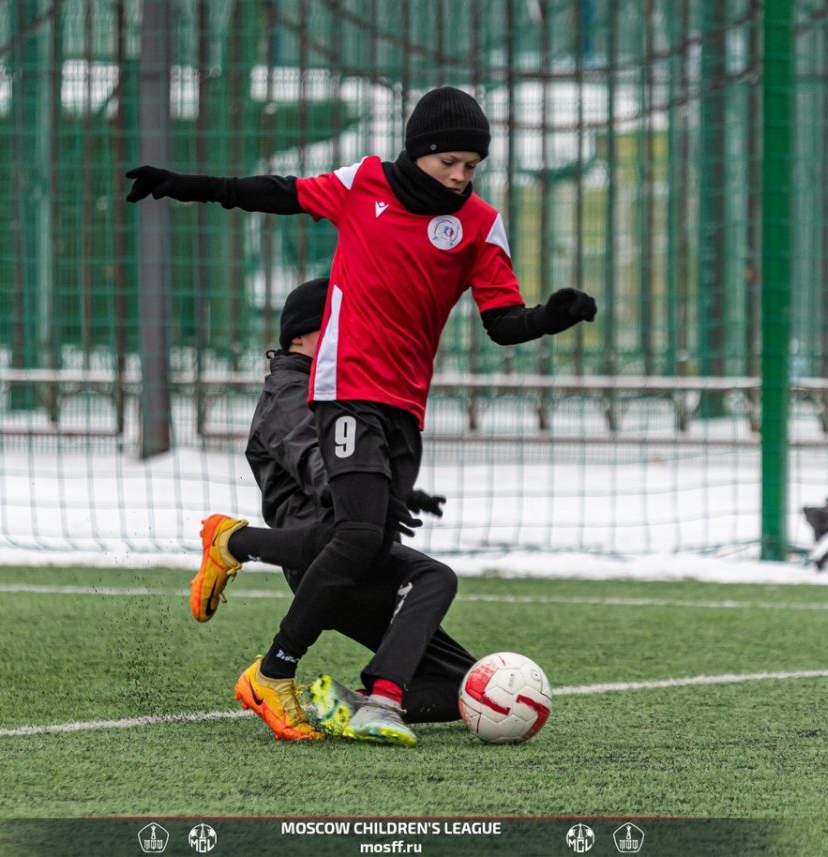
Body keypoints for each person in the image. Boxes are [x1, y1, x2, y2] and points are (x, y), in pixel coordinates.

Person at [127, 86, 598, 746]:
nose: (461, 177)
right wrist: (187, 185)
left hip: (406, 407)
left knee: (374, 542)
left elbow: (502, 322)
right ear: (420, 151)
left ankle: (373, 691)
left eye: (473, 166)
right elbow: (278, 191)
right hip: (346, 387)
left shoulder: (480, 223)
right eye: (450, 163)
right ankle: (274, 670)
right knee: (356, 534)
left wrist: (552, 316)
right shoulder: (366, 182)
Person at [230, 276, 479, 744]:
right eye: (341, 324)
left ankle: (346, 705)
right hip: (329, 558)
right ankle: (368, 697)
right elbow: (321, 468)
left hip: (359, 556)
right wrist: (376, 496)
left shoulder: (336, 391)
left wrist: (392, 493)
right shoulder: (289, 393)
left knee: (462, 689)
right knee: (434, 577)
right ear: (300, 336)